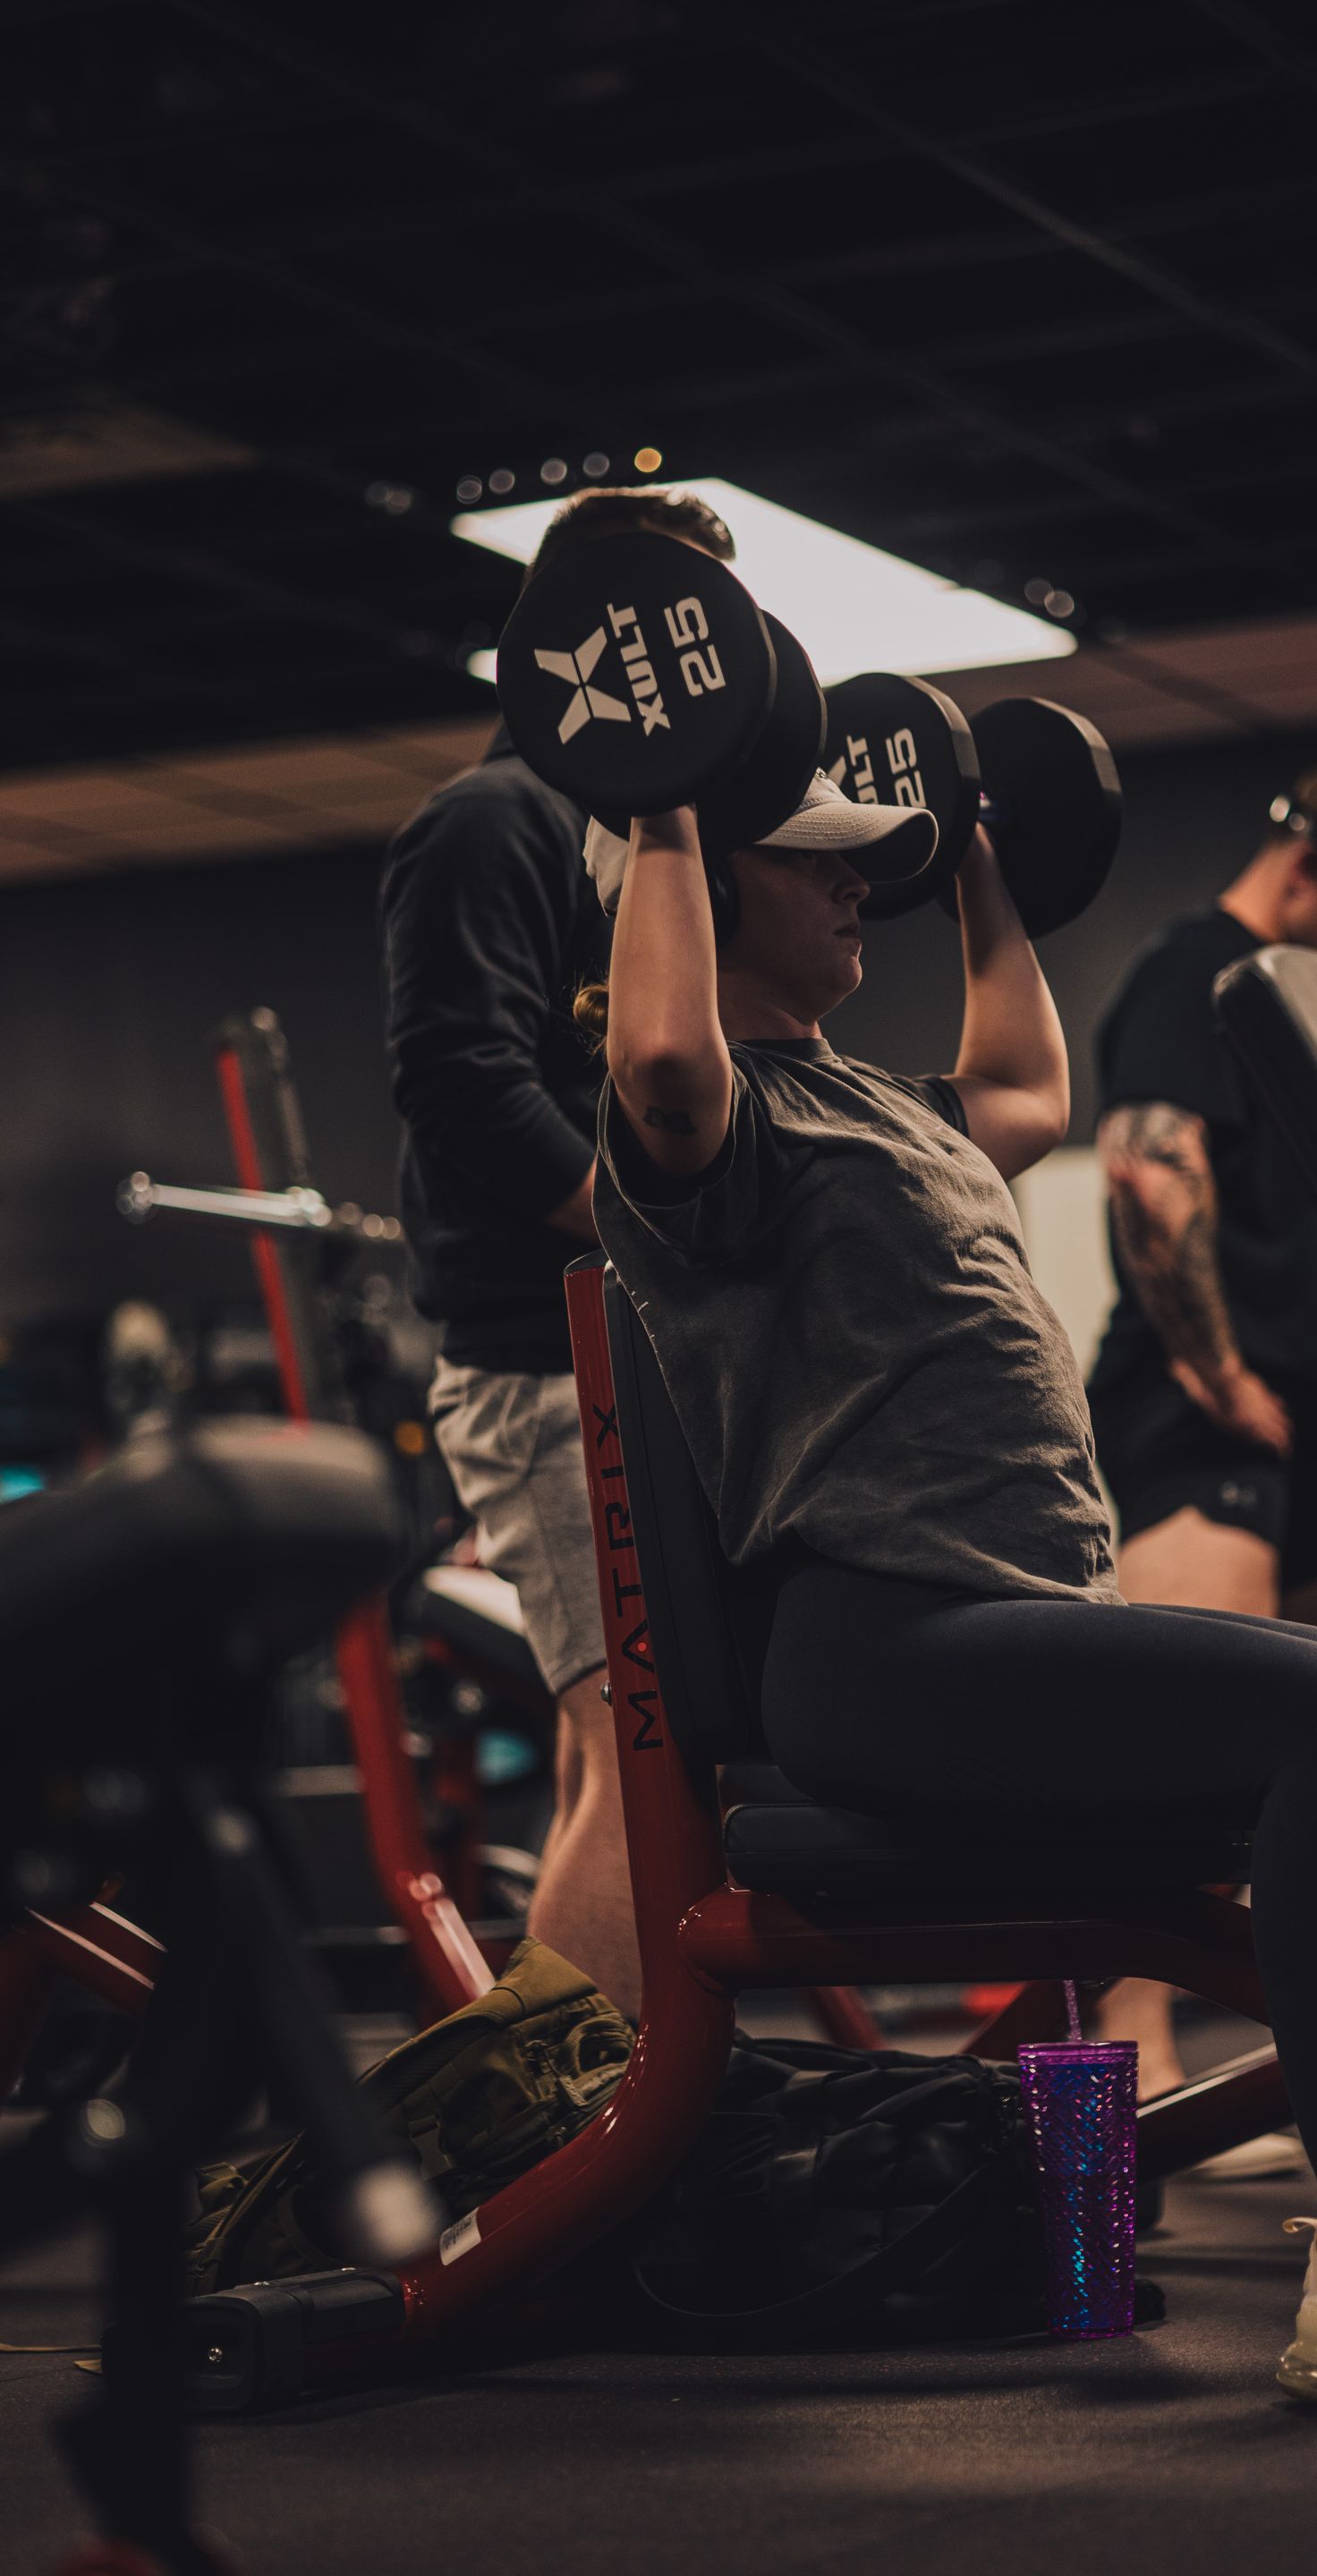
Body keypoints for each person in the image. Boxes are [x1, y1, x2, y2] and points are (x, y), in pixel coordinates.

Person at [582, 769, 1317, 2409]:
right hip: (884, 1649)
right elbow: (663, 1053)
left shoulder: (881, 1103)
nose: (855, 891)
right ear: (705, 892)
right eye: (817, 866)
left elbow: (1032, 1086)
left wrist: (982, 856)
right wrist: (670, 800)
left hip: (1016, 1626)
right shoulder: (707, 1137)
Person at [379, 481, 735, 2019]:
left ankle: (598, 2136)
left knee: (662, 1755)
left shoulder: (644, 842)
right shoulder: (493, 822)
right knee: (627, 1750)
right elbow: (461, 1080)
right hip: (540, 1362)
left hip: (638, 1356)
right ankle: (552, 2160)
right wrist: (644, 1228)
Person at [1084, 752, 1317, 2119]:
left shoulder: (1306, 999)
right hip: (1204, 1421)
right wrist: (1222, 1375)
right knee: (1173, 1776)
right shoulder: (1198, 968)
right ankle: (1134, 2067)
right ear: (1306, 870)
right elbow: (1147, 1166)